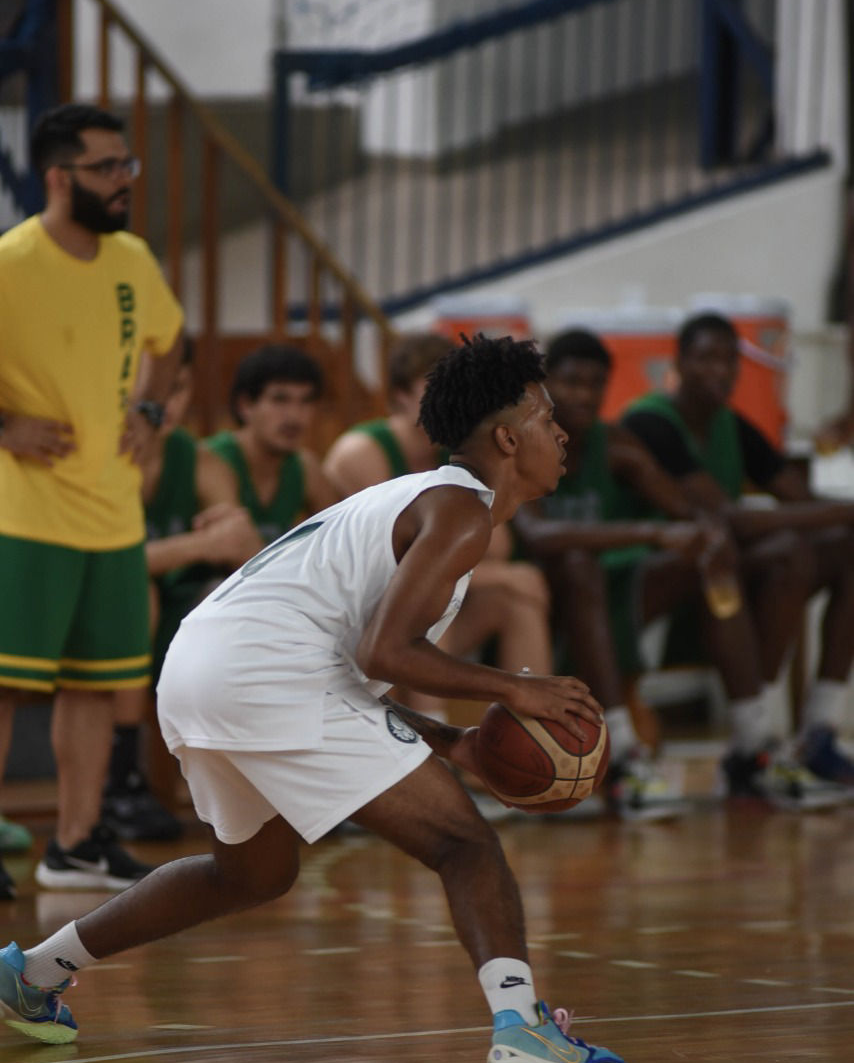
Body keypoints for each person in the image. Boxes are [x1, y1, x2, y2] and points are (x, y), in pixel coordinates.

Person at [0, 334, 632, 1063]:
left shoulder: (421, 499)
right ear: (506, 438)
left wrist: (451, 740)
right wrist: (517, 690)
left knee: (249, 874)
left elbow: (352, 669)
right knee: (465, 845)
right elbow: (384, 651)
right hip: (264, 673)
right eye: (545, 418)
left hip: (201, 667)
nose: (560, 435)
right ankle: (523, 1029)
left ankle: (32, 971)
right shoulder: (462, 510)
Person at [514, 328, 845, 817]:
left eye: (595, 384)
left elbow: (687, 514)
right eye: (572, 383)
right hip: (541, 600)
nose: (584, 395)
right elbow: (538, 536)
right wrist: (652, 532)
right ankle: (623, 757)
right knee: (580, 565)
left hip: (619, 589)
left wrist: (706, 537)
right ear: (545, 387)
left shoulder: (618, 445)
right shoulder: (521, 442)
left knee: (709, 557)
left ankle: (752, 745)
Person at [0, 103, 185, 900]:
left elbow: (170, 343)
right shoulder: (11, 263)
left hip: (112, 513)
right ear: (57, 177)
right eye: (106, 167)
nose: (123, 180)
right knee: (6, 685)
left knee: (95, 683)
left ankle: (74, 844)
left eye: (126, 165)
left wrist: (150, 408)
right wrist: (6, 425)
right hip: (22, 514)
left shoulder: (132, 259)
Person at [622, 311, 854, 797]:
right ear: (679, 363)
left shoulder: (733, 426)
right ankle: (754, 737)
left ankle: (816, 732)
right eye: (707, 358)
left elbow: (799, 499)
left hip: (716, 569)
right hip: (650, 575)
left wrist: (840, 516)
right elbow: (727, 517)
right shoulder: (649, 423)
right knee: (784, 551)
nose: (721, 370)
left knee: (842, 549)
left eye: (730, 360)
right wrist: (842, 512)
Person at [323, 331, 553, 698]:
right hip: (354, 621)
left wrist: (505, 575)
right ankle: (431, 724)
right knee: (433, 593)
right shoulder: (362, 451)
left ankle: (535, 723)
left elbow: (498, 546)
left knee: (515, 601)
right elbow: (399, 564)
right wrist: (506, 575)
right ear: (400, 394)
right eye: (433, 387)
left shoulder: (456, 449)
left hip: (390, 623)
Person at [103, 340, 264, 841]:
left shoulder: (200, 461)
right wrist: (199, 544)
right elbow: (109, 565)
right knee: (136, 595)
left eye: (178, 388)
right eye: (154, 390)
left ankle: (264, 779)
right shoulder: (99, 457)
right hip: (94, 614)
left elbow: (242, 550)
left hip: (174, 620)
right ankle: (121, 781)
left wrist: (228, 542)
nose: (165, 403)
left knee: (238, 601)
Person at [205, 344, 338, 543]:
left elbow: (340, 537)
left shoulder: (304, 467)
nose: (294, 416)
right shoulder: (213, 460)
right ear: (245, 405)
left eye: (305, 401)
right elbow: (233, 548)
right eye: (280, 400)